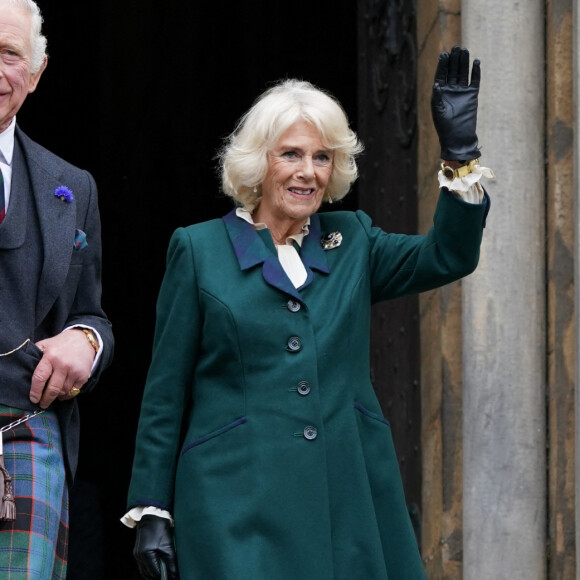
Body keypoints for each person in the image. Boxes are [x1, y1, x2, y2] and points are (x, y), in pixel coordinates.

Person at [124, 46, 492, 580]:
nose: (308, 173)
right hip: (234, 503)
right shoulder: (198, 250)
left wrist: (460, 153)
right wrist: (152, 505)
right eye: (291, 155)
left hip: (347, 498)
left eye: (322, 158)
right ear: (258, 161)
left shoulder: (355, 241)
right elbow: (166, 388)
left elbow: (448, 255)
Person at [0, 0, 113, 577]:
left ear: (36, 72)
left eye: (9, 55)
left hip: (25, 431)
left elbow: (90, 311)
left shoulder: (71, 186)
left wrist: (87, 341)